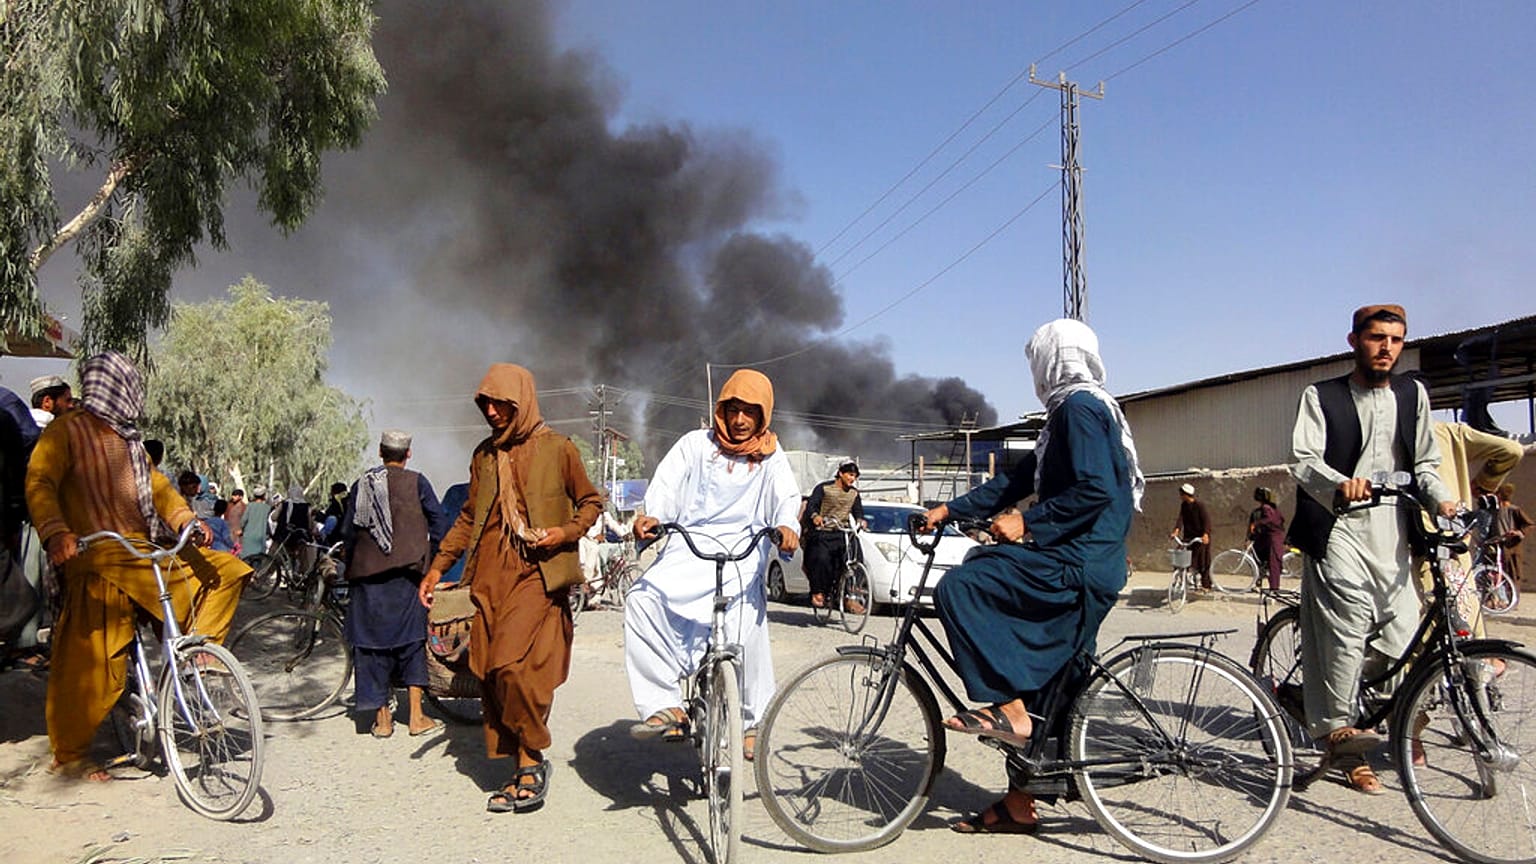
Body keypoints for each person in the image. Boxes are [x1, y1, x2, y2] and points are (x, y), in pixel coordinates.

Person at [919, 318, 1141, 835]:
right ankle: (1021, 802)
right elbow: (1014, 482)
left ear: (1051, 360)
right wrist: (949, 510)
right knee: (1052, 682)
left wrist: (1028, 521)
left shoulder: (1079, 409)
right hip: (1085, 559)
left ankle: (1009, 709)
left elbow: (1094, 489)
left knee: (963, 585)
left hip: (1079, 562)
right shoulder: (1069, 413)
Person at [24, 351, 250, 780]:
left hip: (140, 551)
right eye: (129, 385)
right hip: (94, 555)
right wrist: (55, 532)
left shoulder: (130, 441)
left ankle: (197, 652)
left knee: (223, 573)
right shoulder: (65, 432)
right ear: (111, 387)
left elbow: (159, 489)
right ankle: (69, 754)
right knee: (93, 665)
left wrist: (186, 520)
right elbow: (40, 482)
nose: (135, 394)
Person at [1287, 304, 1455, 795]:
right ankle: (1342, 743)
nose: (1386, 348)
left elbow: (1425, 462)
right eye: (1377, 338)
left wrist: (1442, 500)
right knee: (1347, 629)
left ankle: (1386, 720)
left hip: (1393, 532)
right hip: (1339, 526)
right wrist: (1340, 483)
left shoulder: (1411, 394)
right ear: (1354, 341)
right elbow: (1303, 460)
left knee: (1402, 634)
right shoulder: (1322, 396)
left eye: (1396, 340)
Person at [417, 364, 601, 814]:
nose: (493, 413)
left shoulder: (558, 449)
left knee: (511, 668)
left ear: (523, 402)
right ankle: (521, 764)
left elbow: (591, 502)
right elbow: (468, 518)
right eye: (486, 405)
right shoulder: (484, 456)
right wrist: (437, 567)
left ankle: (532, 758)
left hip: (536, 575)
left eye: (502, 405)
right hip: (489, 577)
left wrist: (565, 532)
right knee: (490, 673)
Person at [625, 369, 801, 762]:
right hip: (691, 546)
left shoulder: (772, 455)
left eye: (749, 412)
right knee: (642, 599)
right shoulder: (695, 445)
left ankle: (753, 722)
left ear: (763, 415)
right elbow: (667, 485)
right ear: (721, 410)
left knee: (746, 627)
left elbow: (786, 498)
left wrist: (787, 526)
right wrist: (653, 517)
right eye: (733, 410)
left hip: (744, 550)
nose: (739, 420)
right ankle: (665, 703)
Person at [339, 430, 447, 739]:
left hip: (367, 580)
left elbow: (348, 532)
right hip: (407, 579)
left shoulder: (362, 484)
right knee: (412, 643)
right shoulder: (418, 482)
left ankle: (383, 721)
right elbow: (440, 525)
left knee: (370, 648)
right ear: (408, 454)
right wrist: (432, 563)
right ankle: (416, 717)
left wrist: (352, 562)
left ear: (380, 452)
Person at [801, 461, 866, 611]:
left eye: (855, 476)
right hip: (823, 532)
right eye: (850, 475)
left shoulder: (854, 493)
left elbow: (858, 511)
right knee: (821, 559)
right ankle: (818, 592)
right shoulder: (824, 488)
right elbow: (812, 505)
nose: (852, 479)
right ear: (841, 473)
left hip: (842, 532)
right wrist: (816, 516)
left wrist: (860, 520)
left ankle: (851, 593)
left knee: (855, 554)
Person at [1170, 483, 1212, 589]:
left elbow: (1206, 521)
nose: (1180, 496)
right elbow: (1180, 519)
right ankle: (1182, 579)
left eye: (1181, 494)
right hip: (1189, 536)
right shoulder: (1184, 505)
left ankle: (1205, 585)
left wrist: (1205, 534)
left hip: (1200, 537)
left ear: (1186, 494)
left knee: (1202, 561)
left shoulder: (1199, 505)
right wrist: (1176, 531)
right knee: (1180, 554)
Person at [1248, 487, 1286, 590]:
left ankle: (1274, 587)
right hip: (1269, 538)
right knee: (1265, 561)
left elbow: (1269, 519)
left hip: (1272, 539)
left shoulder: (1266, 508)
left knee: (1273, 564)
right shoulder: (1273, 509)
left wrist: (1256, 524)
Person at [1495, 484, 1533, 588]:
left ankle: (1514, 595)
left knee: (1514, 575)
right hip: (1499, 547)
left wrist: (1518, 532)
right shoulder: (1495, 511)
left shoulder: (1514, 510)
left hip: (1512, 548)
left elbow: (1530, 525)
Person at [241, 486, 272, 558]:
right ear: (264, 496)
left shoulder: (249, 506)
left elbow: (243, 520)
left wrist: (241, 529)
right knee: (258, 558)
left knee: (247, 559)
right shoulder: (267, 508)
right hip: (260, 537)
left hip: (248, 536)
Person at [226, 488, 248, 555]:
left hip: (238, 533)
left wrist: (242, 530)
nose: (233, 497)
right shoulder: (229, 505)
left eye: (235, 495)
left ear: (241, 497)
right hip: (229, 531)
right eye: (233, 495)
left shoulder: (244, 507)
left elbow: (246, 520)